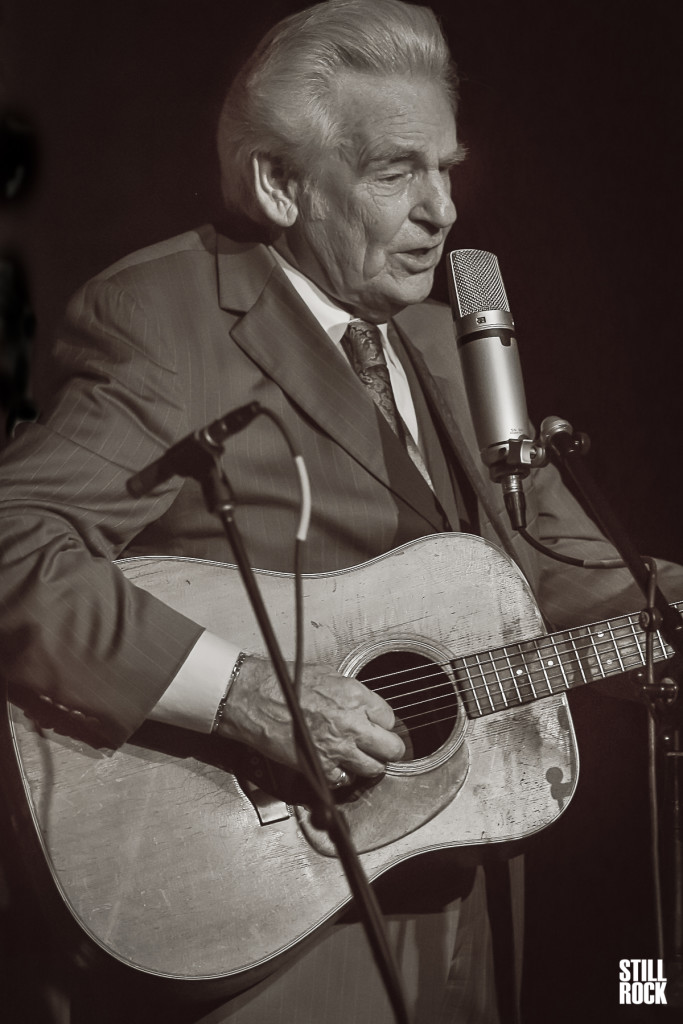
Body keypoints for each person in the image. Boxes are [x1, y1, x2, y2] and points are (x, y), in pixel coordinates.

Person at [0, 2, 681, 1022]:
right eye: (395, 171)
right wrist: (242, 692)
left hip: (465, 879)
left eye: (446, 168)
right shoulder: (168, 315)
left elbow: (560, 571)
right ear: (280, 183)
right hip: (266, 904)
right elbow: (14, 543)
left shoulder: (452, 349)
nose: (442, 210)